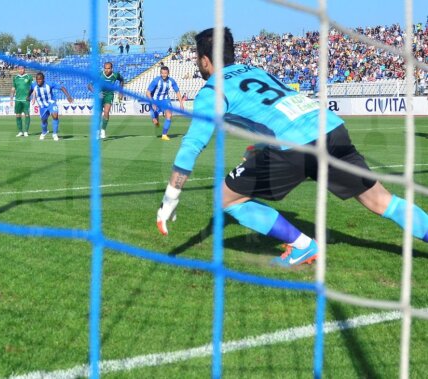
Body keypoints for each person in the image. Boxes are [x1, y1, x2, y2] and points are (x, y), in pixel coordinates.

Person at [156, 27, 428, 267]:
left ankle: (303, 245)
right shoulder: (255, 70)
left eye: (197, 60)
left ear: (205, 60)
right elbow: (278, 109)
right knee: (382, 201)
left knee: (225, 198)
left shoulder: (211, 90)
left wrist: (170, 198)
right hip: (330, 128)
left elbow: (192, 146)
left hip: (294, 146)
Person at [30, 72, 74, 141]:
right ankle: (44, 132)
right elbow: (30, 90)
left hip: (51, 103)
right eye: (37, 79)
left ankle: (55, 134)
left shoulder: (49, 84)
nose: (38, 81)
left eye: (40, 79)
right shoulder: (33, 85)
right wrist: (28, 97)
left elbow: (62, 88)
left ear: (43, 79)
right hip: (42, 106)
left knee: (55, 116)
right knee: (44, 121)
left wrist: (68, 96)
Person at [146, 66, 185, 141]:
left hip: (165, 100)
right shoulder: (156, 80)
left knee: (169, 115)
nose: (164, 75)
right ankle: (156, 121)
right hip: (155, 101)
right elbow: (148, 93)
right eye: (162, 73)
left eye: (165, 73)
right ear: (160, 73)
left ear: (168, 73)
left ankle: (164, 135)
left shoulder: (171, 81)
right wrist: (153, 103)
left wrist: (181, 103)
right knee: (155, 122)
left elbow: (177, 91)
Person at [87, 62, 124, 139]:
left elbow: (122, 80)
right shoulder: (99, 75)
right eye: (105, 68)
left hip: (109, 95)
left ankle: (103, 130)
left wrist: (121, 92)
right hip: (99, 95)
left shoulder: (115, 75)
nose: (107, 70)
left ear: (112, 68)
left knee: (106, 111)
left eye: (108, 68)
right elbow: (89, 85)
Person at [10, 65, 33, 137]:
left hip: (26, 99)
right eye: (19, 69)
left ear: (24, 69)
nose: (21, 70)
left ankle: (26, 131)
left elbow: (33, 88)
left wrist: (33, 97)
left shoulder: (29, 77)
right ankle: (20, 131)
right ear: (18, 70)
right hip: (17, 99)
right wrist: (11, 99)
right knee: (17, 115)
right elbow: (13, 88)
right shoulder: (15, 78)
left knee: (27, 114)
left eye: (22, 69)